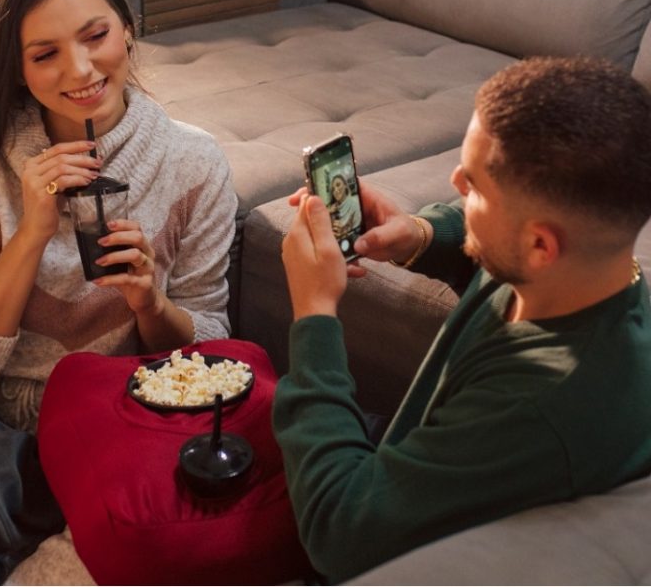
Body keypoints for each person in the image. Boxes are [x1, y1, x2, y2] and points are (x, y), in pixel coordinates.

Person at [0, 0, 237, 582]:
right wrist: (31, 234)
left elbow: (210, 349)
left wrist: (150, 304)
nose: (79, 71)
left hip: (116, 418)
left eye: (95, 35)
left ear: (127, 28)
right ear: (16, 69)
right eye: (45, 54)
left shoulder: (193, 164)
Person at [274, 56, 651, 584]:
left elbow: (338, 536)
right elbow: (487, 255)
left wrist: (314, 312)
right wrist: (420, 235)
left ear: (539, 245)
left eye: (473, 188)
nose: (454, 182)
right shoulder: (578, 274)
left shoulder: (543, 402)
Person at [326, 173, 361, 240]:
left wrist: (344, 234)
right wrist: (328, 213)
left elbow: (358, 234)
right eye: (333, 189)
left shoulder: (354, 206)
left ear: (345, 185)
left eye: (338, 185)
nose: (336, 190)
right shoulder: (332, 208)